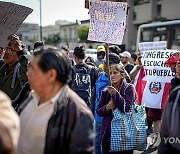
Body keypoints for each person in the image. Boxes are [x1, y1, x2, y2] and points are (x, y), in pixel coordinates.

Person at [16, 46, 94, 154]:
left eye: (33, 68)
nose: (28, 73)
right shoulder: (30, 97)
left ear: (51, 75)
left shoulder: (77, 113)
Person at [96, 64, 137, 154]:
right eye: (110, 73)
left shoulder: (129, 88)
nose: (112, 75)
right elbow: (98, 111)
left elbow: (126, 108)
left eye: (115, 72)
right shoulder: (106, 91)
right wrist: (107, 107)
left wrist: (115, 94)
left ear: (122, 75)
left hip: (125, 133)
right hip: (109, 133)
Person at [0, 34, 28, 100]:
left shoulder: (21, 69)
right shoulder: (2, 67)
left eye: (12, 49)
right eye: (6, 48)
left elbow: (27, 71)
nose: (7, 52)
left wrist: (20, 50)